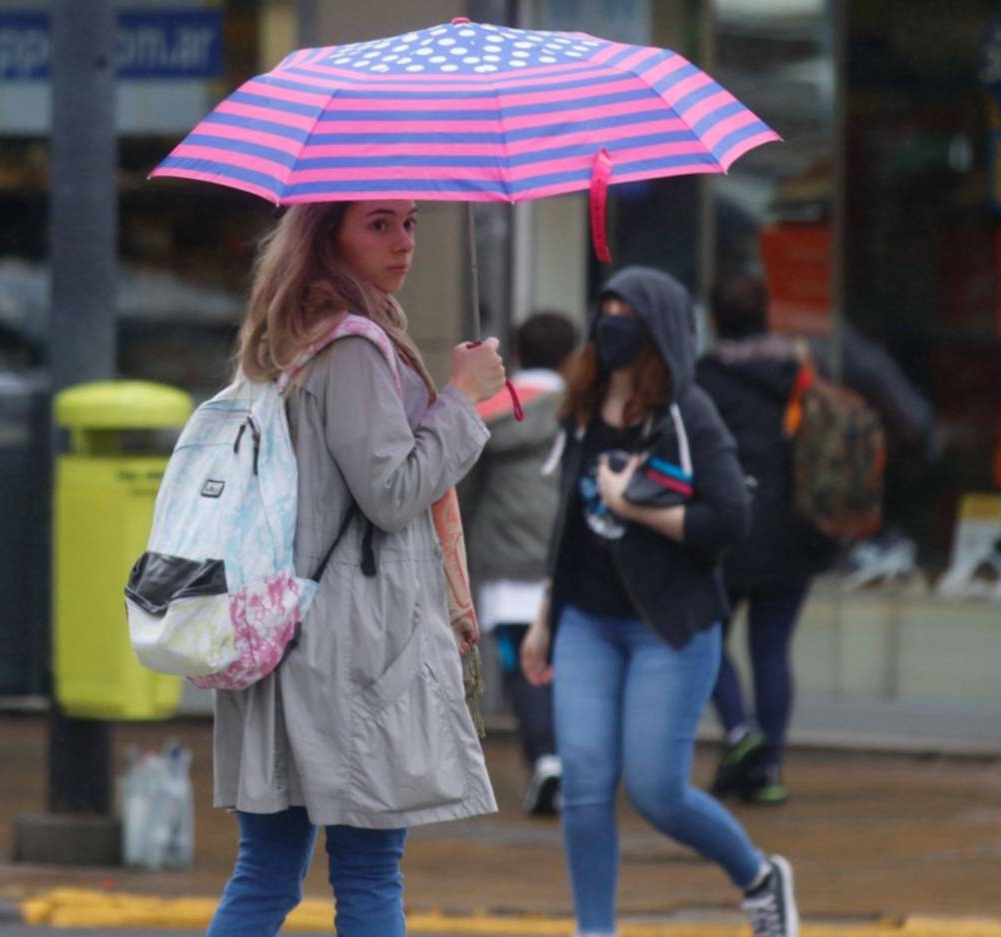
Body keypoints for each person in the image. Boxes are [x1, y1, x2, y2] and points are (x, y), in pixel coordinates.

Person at [208, 200, 508, 937]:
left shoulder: (288, 340)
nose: (403, 242)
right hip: (354, 646)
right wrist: (463, 398)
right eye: (378, 224)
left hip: (285, 632)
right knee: (369, 872)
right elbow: (392, 491)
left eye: (410, 222)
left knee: (267, 871)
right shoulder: (354, 348)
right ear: (327, 235)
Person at [520, 267, 799, 937]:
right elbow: (569, 523)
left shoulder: (687, 413)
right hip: (586, 621)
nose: (612, 327)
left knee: (656, 791)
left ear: (660, 331)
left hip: (668, 627)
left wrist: (634, 508)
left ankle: (760, 878)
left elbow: (730, 519)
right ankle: (595, 929)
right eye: (606, 312)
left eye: (629, 316)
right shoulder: (583, 405)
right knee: (585, 782)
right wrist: (545, 616)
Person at [697, 274, 840, 807]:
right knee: (773, 650)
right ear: (768, 316)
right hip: (793, 529)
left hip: (725, 531)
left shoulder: (705, 379)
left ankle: (740, 732)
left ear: (714, 320)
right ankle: (769, 766)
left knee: (704, 637)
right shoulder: (801, 372)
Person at [458, 310, 578, 817]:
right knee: (570, 663)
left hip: (505, 557)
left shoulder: (486, 410)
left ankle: (546, 760)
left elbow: (463, 489)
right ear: (571, 358)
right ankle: (577, 764)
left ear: (518, 355)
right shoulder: (583, 406)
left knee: (523, 667)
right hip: (567, 556)